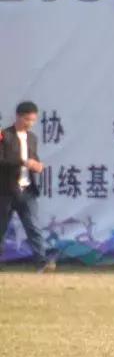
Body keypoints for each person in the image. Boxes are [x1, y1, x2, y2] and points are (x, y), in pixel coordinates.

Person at [0, 101, 54, 272]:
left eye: (33, 120)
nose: (30, 124)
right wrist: (23, 162)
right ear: (18, 116)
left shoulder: (32, 138)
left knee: (33, 227)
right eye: (27, 120)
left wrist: (37, 166)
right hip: (6, 191)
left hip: (27, 190)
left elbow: (33, 159)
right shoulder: (4, 135)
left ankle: (42, 263)